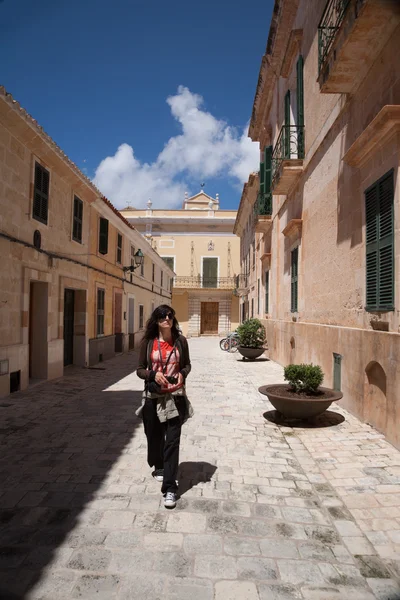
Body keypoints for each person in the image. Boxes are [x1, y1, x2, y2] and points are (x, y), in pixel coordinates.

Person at [136, 305, 192, 508]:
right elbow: (140, 369)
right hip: (153, 396)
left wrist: (182, 374)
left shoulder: (180, 341)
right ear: (156, 319)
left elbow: (187, 365)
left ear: (173, 319)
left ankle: (170, 488)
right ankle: (159, 466)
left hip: (175, 396)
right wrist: (153, 374)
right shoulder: (149, 342)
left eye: (169, 315)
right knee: (154, 436)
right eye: (162, 315)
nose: (166, 318)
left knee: (172, 442)